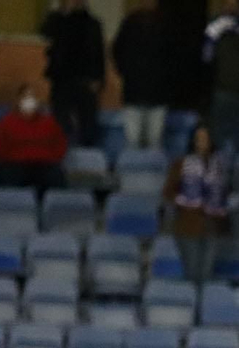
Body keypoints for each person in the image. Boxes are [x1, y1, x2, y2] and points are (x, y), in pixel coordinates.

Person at [164, 124, 229, 284]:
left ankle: (203, 306)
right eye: (198, 139)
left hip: (213, 226)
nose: (202, 142)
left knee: (206, 274)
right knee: (192, 272)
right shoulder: (181, 164)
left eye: (205, 139)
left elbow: (225, 192)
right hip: (188, 225)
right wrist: (186, 201)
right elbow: (168, 193)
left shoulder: (219, 166)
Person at [40, 0, 103, 148]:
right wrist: (62, 12)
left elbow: (98, 53)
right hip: (61, 79)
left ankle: (87, 155)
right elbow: (45, 32)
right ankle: (58, 151)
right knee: (60, 121)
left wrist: (99, 78)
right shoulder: (59, 20)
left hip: (86, 80)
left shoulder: (93, 24)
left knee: (88, 124)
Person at [112, 0, 167, 149]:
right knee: (132, 143)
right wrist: (125, 73)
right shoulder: (129, 23)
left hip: (158, 94)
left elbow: (172, 57)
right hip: (133, 91)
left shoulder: (165, 24)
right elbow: (117, 50)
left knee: (155, 143)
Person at [0, 88, 67, 195]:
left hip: (44, 164)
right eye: (25, 98)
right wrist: (13, 159)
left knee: (55, 176)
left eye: (32, 98)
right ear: (18, 101)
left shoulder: (50, 123)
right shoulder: (6, 123)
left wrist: (50, 158)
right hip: (15, 165)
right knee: (8, 175)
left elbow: (60, 144)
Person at [203, 0, 239, 153]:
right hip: (220, 91)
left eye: (235, 3)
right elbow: (206, 59)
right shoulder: (213, 30)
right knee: (218, 137)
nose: (231, 7)